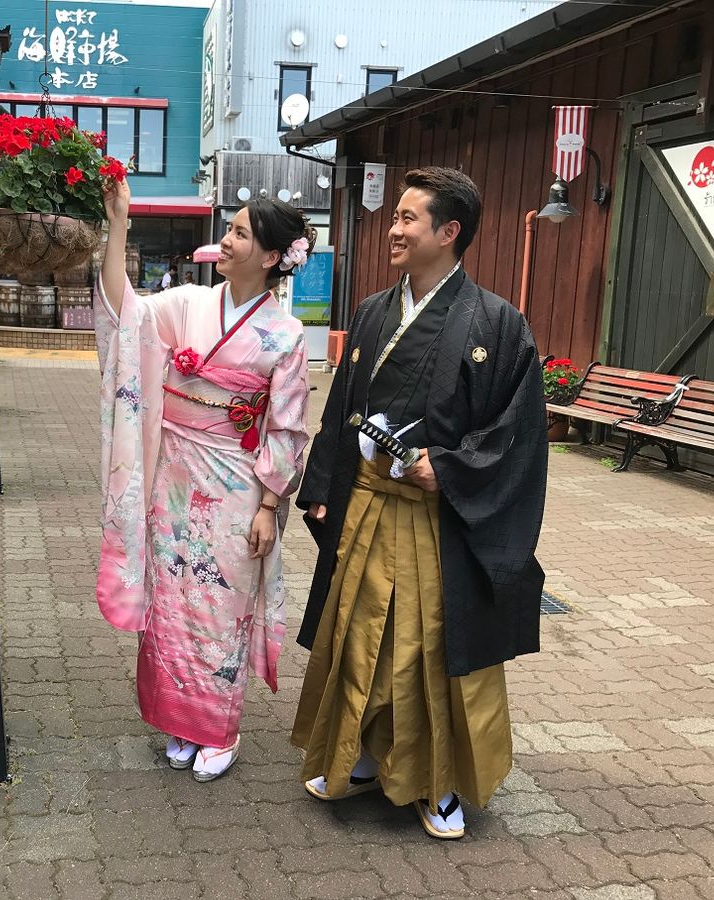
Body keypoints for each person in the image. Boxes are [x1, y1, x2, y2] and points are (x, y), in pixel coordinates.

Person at [291, 166, 547, 839]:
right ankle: (363, 753)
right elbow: (342, 408)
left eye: (408, 218)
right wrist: (322, 485)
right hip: (368, 504)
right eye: (396, 217)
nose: (394, 229)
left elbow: (518, 432)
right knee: (359, 637)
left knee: (429, 649)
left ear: (449, 231)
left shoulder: (497, 322)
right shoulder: (374, 311)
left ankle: (441, 781)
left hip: (441, 518)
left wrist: (454, 467)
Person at [94, 177, 314, 782]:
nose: (227, 240)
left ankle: (219, 729)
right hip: (173, 473)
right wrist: (119, 224)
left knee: (221, 605)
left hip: (235, 483)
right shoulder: (188, 303)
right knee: (172, 600)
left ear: (271, 256)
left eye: (240, 233)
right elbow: (124, 317)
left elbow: (288, 426)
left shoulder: (286, 334)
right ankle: (179, 721)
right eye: (229, 229)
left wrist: (269, 505)